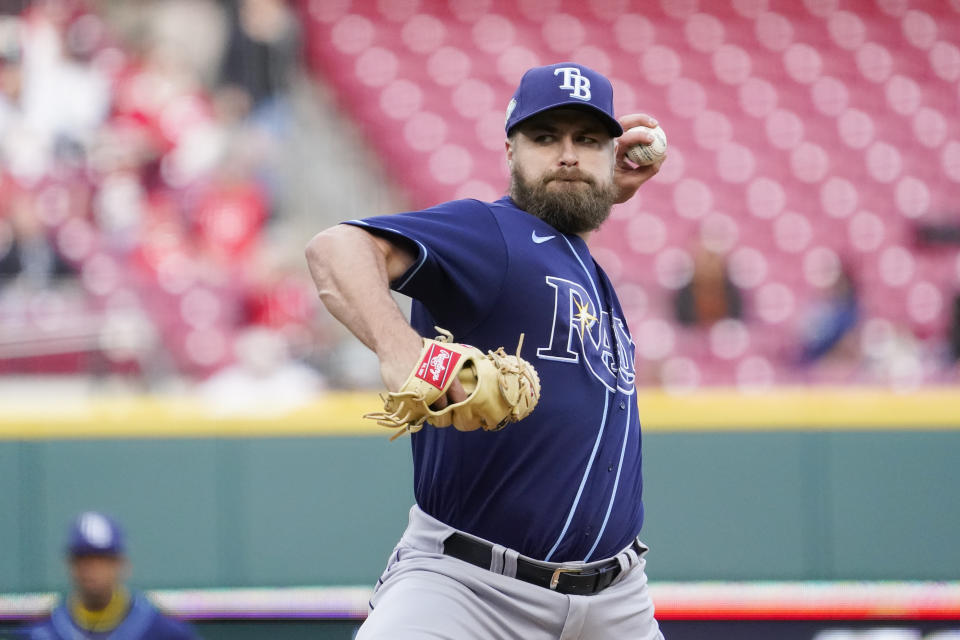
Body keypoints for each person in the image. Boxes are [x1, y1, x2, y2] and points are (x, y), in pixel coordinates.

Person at [305, 62, 666, 639]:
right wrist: (405, 349)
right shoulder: (489, 233)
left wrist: (597, 190)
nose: (567, 155)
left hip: (618, 603)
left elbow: (559, 228)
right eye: (545, 138)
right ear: (510, 151)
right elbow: (336, 249)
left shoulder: (577, 260)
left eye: (587, 141)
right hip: (471, 591)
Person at [23, 511, 199, 640]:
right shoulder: (44, 631)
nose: (92, 569)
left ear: (123, 565)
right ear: (69, 565)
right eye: (83, 559)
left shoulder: (160, 630)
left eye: (102, 560)